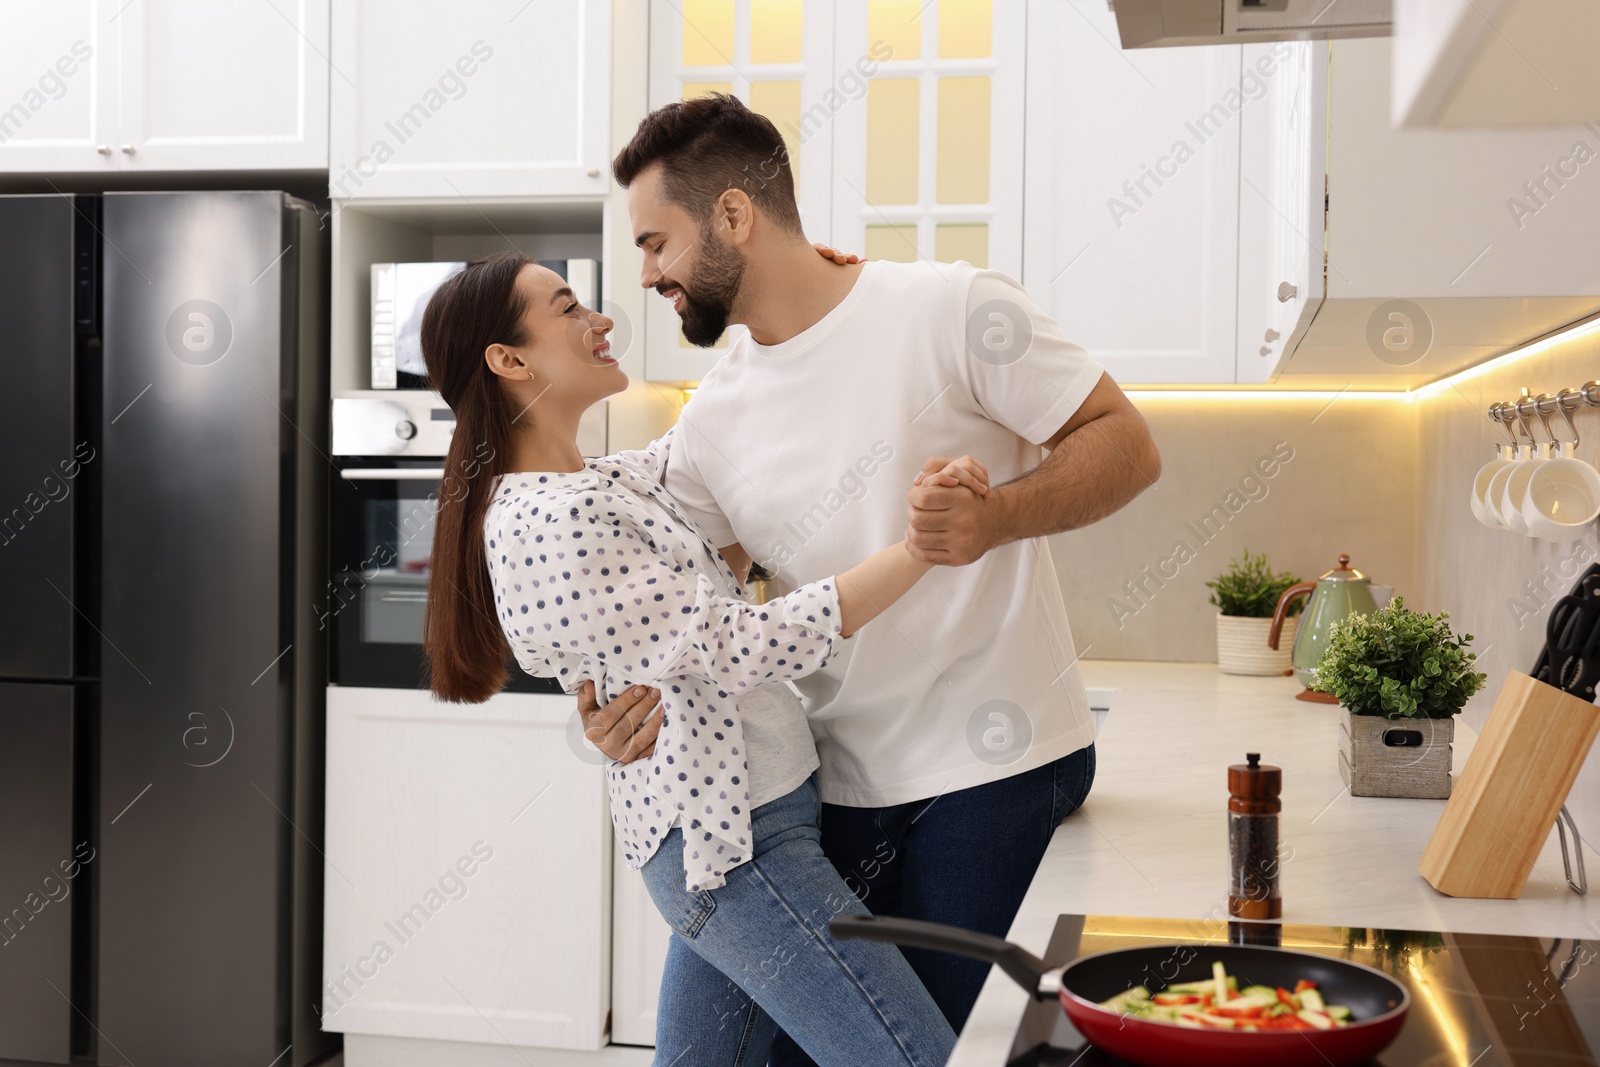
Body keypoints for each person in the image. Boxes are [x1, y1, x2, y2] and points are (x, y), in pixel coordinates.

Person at [583, 93, 1162, 1054]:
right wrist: (606, 702)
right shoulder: (714, 415)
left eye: (656, 244)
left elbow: (1127, 445)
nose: (644, 275)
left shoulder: (950, 306)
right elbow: (666, 605)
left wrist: (996, 518)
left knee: (936, 1043)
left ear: (733, 215)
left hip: (992, 764)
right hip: (822, 785)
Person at [418, 249, 997, 1066]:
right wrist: (919, 550)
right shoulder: (549, 519)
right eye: (569, 307)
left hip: (735, 829)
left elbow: (704, 446)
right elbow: (739, 645)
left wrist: (792, 282)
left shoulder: (607, 481)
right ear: (510, 361)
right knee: (911, 1054)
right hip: (737, 843)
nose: (602, 319)